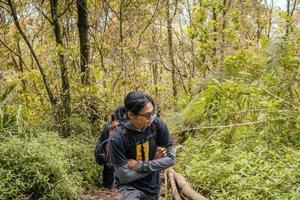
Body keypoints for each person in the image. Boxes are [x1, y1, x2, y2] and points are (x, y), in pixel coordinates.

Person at [109, 91, 175, 200]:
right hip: (129, 188)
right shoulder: (117, 138)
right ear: (131, 115)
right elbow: (124, 176)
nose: (152, 117)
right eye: (147, 115)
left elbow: (171, 159)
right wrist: (156, 163)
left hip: (152, 186)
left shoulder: (158, 125)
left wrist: (141, 166)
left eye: (152, 112)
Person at [97, 106, 124, 189]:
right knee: (111, 168)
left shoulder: (108, 127)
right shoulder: (114, 127)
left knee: (108, 169)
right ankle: (109, 185)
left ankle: (107, 185)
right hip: (110, 151)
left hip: (108, 151)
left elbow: (102, 140)